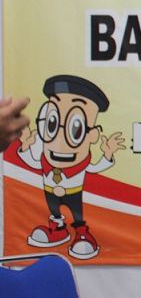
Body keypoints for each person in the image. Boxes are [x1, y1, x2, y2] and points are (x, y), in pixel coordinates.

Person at [18, 75, 124, 259]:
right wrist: (26, 145)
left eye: (76, 128)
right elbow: (31, 161)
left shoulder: (82, 164)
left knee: (77, 214)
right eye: (51, 123)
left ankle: (82, 233)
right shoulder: (43, 160)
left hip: (74, 191)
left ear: (92, 135)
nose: (60, 137)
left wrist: (107, 154)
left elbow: (96, 167)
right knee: (54, 209)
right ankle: (57, 229)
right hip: (50, 190)